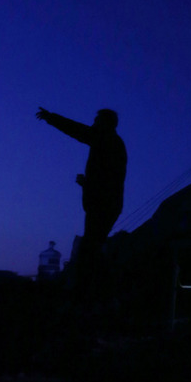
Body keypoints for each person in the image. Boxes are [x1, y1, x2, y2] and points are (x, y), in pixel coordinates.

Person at [35, 107, 127, 288]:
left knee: (89, 250)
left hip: (102, 205)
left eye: (97, 121)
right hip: (105, 204)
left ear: (105, 123)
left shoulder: (106, 139)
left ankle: (89, 294)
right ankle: (99, 293)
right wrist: (87, 183)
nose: (93, 124)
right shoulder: (112, 143)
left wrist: (51, 117)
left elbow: (78, 130)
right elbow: (109, 177)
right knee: (93, 248)